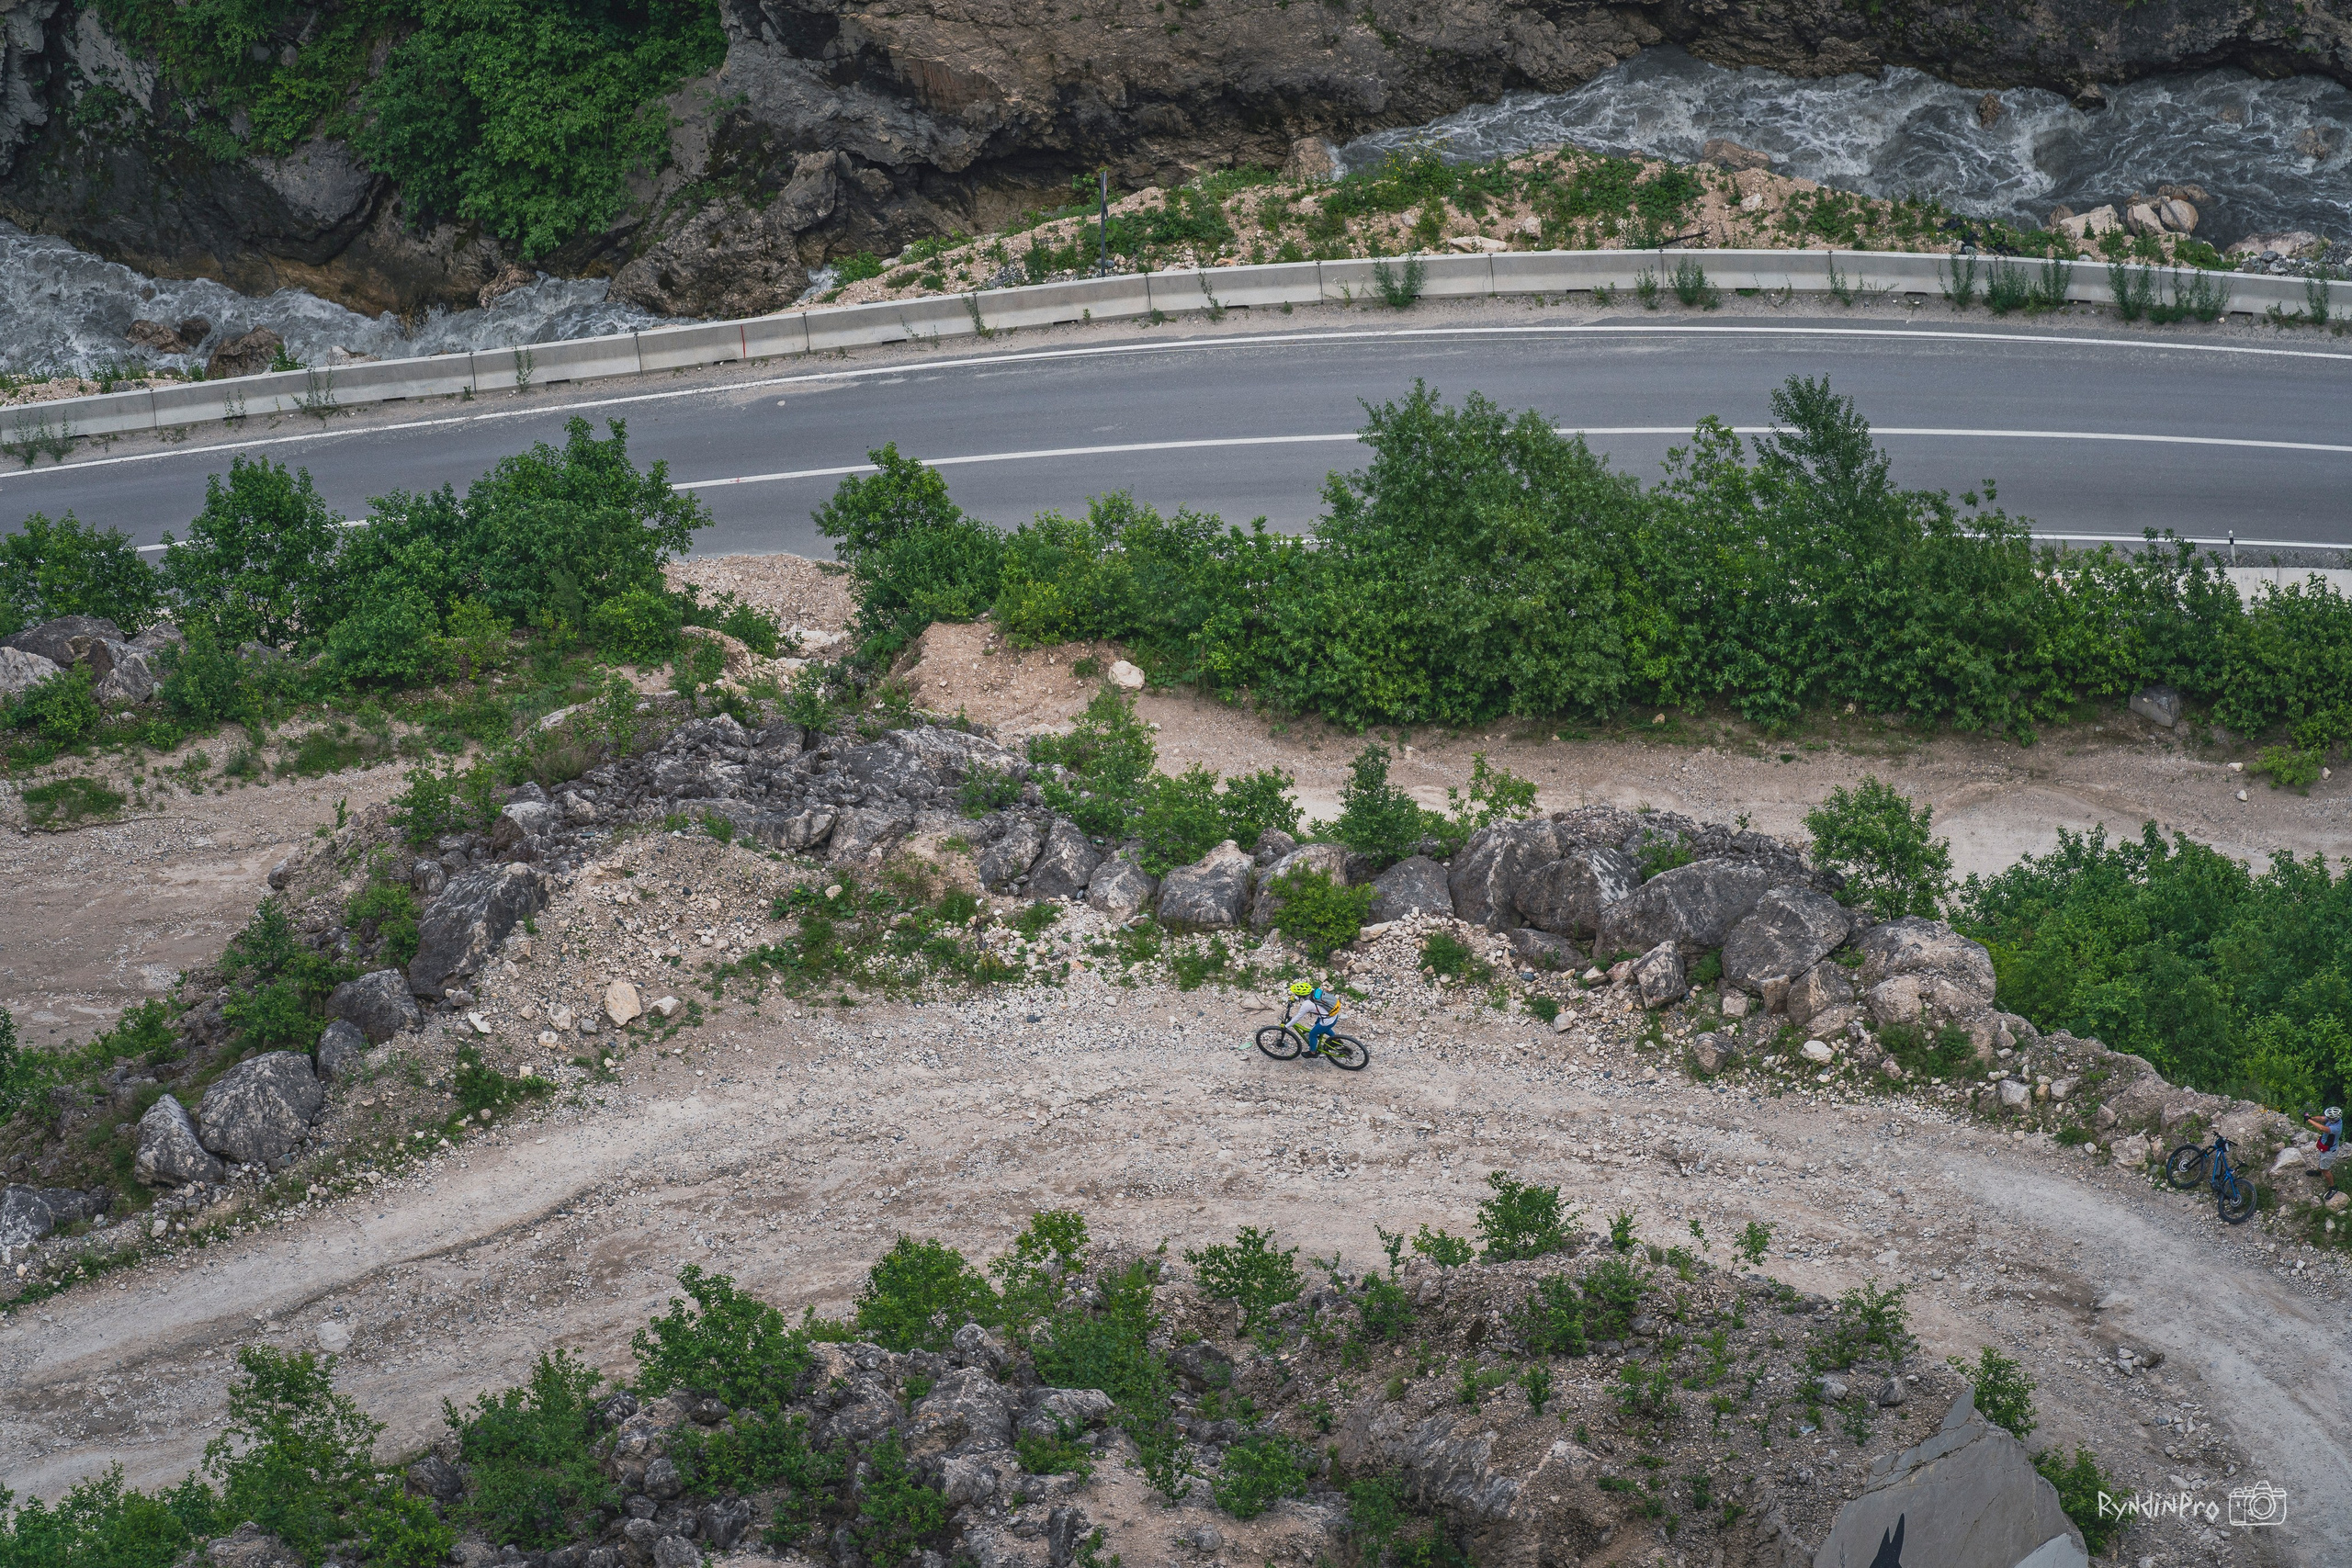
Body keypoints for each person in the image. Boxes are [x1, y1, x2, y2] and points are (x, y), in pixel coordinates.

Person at [1286, 979, 1340, 1057]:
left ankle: (1312, 1053)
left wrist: (1286, 1026)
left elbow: (1297, 1018)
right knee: (1320, 1026)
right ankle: (1336, 1040)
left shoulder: (1307, 1005)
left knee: (1312, 1034)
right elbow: (1302, 995)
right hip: (1333, 1015)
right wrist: (1294, 999)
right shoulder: (1313, 991)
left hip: (1327, 1021)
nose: (1295, 994)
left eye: (1296, 993)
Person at [2306, 1105, 2343, 1190]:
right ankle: (2318, 1172)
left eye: (2329, 1117)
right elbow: (2322, 1118)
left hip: (2329, 1151)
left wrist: (2308, 1120)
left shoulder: (2336, 1128)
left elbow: (2321, 1128)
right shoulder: (2335, 1120)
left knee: (2325, 1170)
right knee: (2322, 1161)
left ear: (2333, 1118)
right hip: (2326, 1148)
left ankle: (2332, 1187)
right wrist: (2311, 1117)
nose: (2327, 1118)